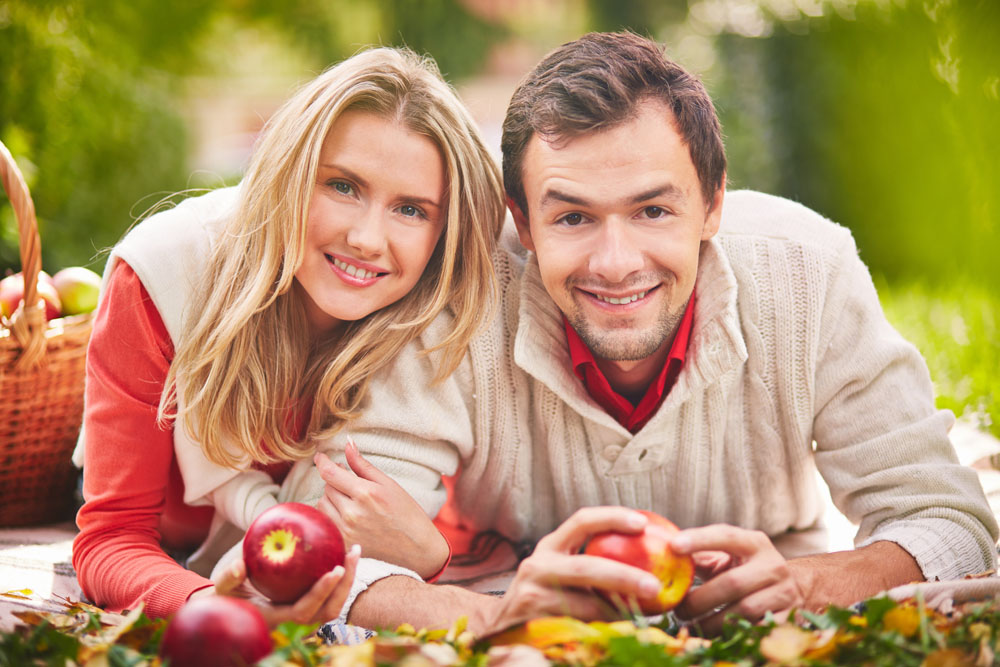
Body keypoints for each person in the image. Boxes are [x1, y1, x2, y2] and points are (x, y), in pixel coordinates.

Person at [288, 31, 998, 636]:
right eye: (572, 217)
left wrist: (808, 583)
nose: (616, 262)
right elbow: (323, 550)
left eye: (654, 210)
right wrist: (490, 616)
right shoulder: (463, 291)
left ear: (714, 203)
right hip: (506, 576)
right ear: (523, 222)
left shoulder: (809, 272)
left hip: (786, 547)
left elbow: (946, 517)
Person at [72, 46, 505, 625]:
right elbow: (111, 539)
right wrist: (214, 607)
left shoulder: (428, 319)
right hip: (177, 555)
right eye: (343, 187)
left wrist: (429, 554)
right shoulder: (165, 274)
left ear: (443, 231)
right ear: (290, 172)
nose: (367, 239)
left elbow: (395, 541)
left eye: (411, 210)